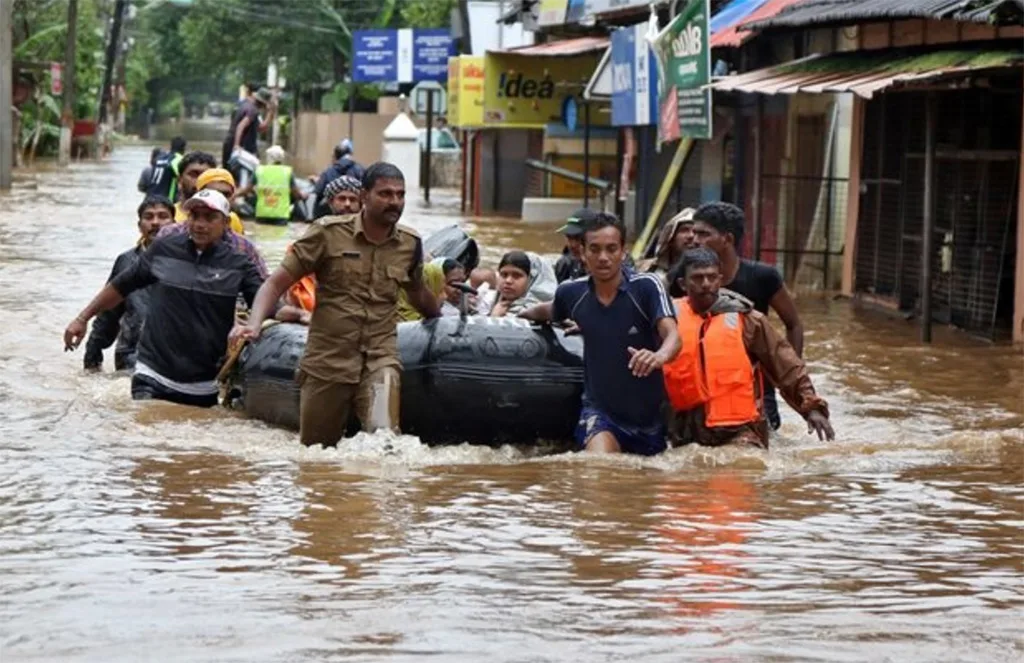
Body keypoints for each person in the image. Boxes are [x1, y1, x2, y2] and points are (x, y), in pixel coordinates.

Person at [230, 162, 441, 447]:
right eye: (385, 194)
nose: (395, 202)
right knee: (317, 452)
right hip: (327, 362)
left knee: (385, 442)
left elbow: (417, 293)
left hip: (380, 358)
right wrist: (254, 325)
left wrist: (443, 320)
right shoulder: (327, 234)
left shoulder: (409, 243)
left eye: (400, 195)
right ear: (364, 196)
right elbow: (274, 284)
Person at [64, 190, 266, 407]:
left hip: (203, 384)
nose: (200, 224)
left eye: (209, 218)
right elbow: (120, 287)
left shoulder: (239, 264)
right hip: (151, 374)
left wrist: (285, 316)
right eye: (194, 216)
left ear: (225, 223)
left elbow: (266, 301)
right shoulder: (163, 250)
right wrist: (82, 319)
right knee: (145, 423)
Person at [519, 212, 680, 456]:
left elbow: (673, 336)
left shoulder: (646, 287)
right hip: (600, 413)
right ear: (582, 252)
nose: (603, 257)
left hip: (649, 418)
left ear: (623, 252)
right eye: (594, 249)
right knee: (599, 469)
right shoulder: (571, 293)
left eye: (611, 249)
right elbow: (548, 310)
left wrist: (659, 356)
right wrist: (515, 315)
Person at [662, 248, 834, 448]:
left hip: (739, 430)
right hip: (684, 430)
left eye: (711, 277)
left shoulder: (748, 320)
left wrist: (811, 407)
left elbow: (786, 364)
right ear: (683, 284)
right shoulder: (667, 319)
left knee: (744, 463)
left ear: (720, 280)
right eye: (698, 278)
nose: (706, 284)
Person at [691, 202, 804, 431]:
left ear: (727, 239)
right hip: (705, 386)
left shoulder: (762, 277)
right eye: (694, 233)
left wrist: (787, 375)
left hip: (757, 386)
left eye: (703, 234)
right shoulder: (686, 279)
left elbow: (794, 324)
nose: (694, 240)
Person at [83, 195, 175, 372]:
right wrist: (92, 356)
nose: (155, 223)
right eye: (149, 217)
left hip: (172, 357)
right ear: (139, 226)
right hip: (131, 356)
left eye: (163, 216)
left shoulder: (187, 261)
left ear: (175, 224)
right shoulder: (126, 261)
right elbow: (108, 313)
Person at [237, 145, 309, 223]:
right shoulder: (287, 172)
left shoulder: (259, 170)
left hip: (263, 214)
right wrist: (303, 196)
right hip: (281, 215)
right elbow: (296, 194)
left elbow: (246, 190)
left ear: (269, 157)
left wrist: (234, 194)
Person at [638, 207, 696, 295]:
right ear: (671, 238)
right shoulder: (648, 270)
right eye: (684, 230)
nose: (691, 236)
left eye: (695, 231)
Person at [222, 86, 275, 173]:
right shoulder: (253, 110)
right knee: (249, 174)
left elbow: (260, 128)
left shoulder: (243, 105)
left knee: (228, 175)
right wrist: (236, 145)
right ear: (262, 103)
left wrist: (270, 113)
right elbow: (241, 126)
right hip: (242, 148)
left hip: (229, 144)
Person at [489, 251, 557, 318]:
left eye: (516, 276)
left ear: (531, 280)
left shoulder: (540, 313)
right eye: (504, 275)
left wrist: (494, 318)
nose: (508, 281)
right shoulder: (490, 302)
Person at [313, 139, 364, 217]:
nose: (347, 204)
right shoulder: (361, 170)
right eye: (342, 199)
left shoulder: (329, 171)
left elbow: (318, 191)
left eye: (352, 199)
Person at [191, 167, 247, 235]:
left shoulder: (234, 220)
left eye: (226, 194)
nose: (220, 199)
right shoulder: (182, 225)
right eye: (214, 193)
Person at [553, 208, 596, 283]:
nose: (572, 245)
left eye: (578, 238)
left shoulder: (608, 267)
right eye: (569, 237)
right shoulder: (564, 265)